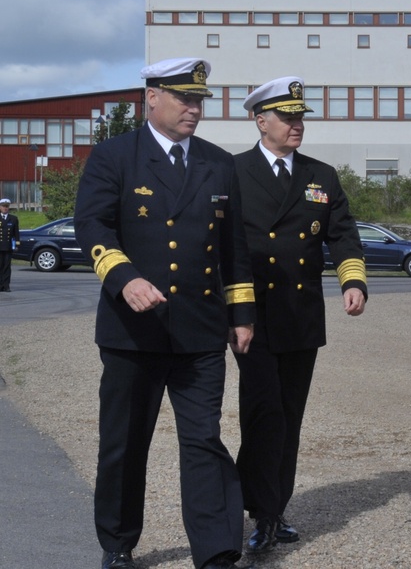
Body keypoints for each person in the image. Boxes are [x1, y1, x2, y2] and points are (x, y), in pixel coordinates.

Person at [74, 58, 256, 569]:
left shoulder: (220, 164)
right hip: (133, 331)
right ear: (151, 96)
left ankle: (217, 550)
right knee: (125, 444)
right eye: (184, 99)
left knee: (204, 441)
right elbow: (92, 226)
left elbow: (233, 250)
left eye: (200, 101)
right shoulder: (114, 156)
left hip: (200, 331)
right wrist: (123, 277)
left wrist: (241, 314)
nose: (194, 110)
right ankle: (117, 542)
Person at [232, 77, 367, 553]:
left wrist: (353, 281)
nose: (297, 125)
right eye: (287, 118)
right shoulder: (233, 172)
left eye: (300, 117)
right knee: (262, 412)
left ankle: (273, 506)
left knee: (289, 416)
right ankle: (260, 510)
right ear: (260, 120)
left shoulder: (321, 175)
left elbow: (343, 235)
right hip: (254, 315)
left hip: (300, 317)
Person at [0, 198, 19, 291]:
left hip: (8, 247)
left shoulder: (13, 219)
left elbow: (16, 233)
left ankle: (6, 286)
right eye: (3, 206)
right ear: (0, 207)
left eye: (6, 206)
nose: (5, 208)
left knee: (7, 267)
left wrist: (17, 245)